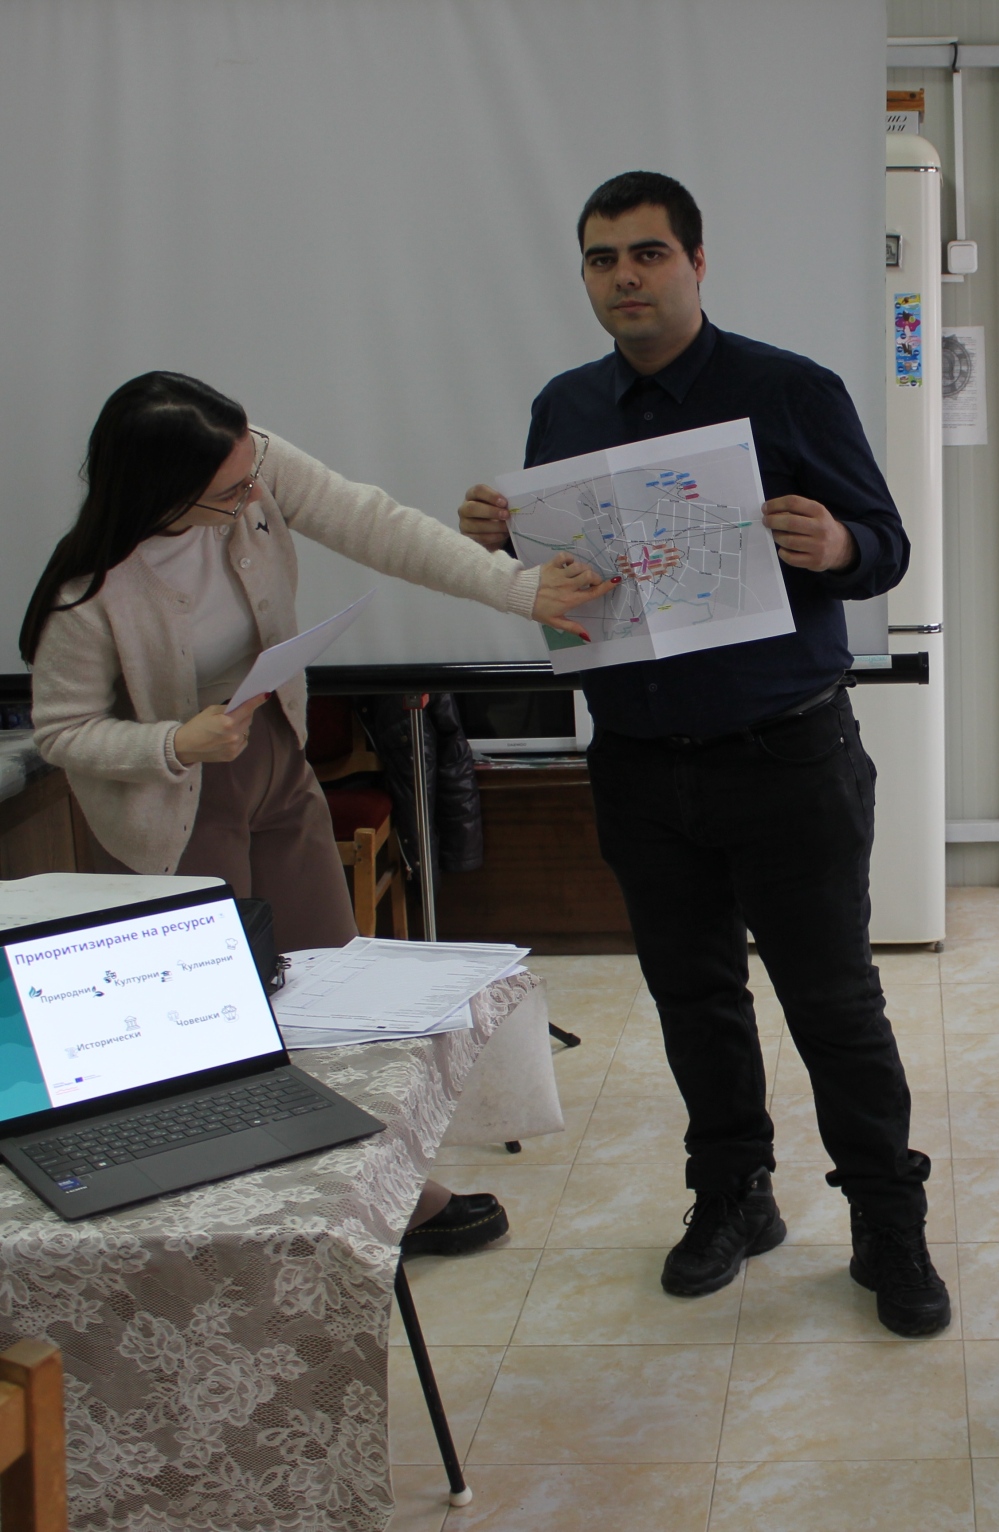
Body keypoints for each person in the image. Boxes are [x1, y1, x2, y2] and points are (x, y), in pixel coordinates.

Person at [456, 172, 949, 1335]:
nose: (624, 276)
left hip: (785, 754)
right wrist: (503, 543)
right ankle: (734, 1194)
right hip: (637, 758)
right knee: (693, 996)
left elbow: (885, 546)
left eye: (647, 253)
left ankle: (887, 1219)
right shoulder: (564, 407)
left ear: (695, 262)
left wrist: (837, 542)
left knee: (834, 1003)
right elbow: (566, 577)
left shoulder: (787, 389)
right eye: (602, 258)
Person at [23, 371, 612, 1255]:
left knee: (333, 980)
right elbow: (62, 732)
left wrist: (520, 589)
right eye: (230, 493)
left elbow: (377, 525)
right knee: (220, 1021)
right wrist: (174, 743)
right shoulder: (88, 591)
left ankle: (391, 1189)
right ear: (163, 492)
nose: (255, 497)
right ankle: (251, 1226)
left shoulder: (250, 462)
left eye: (251, 474)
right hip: (172, 802)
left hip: (270, 754)